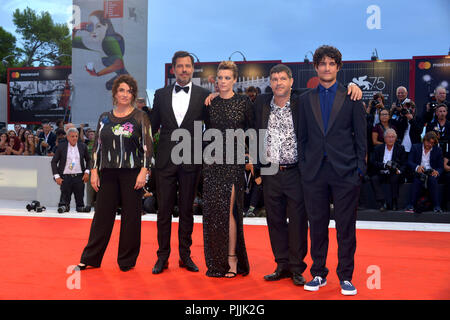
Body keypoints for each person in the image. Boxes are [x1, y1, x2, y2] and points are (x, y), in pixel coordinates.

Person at [298, 45, 367, 296]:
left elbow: (361, 137)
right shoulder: (305, 99)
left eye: (331, 63)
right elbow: (302, 138)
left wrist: (360, 168)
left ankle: (346, 276)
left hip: (346, 172)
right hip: (314, 172)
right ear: (315, 67)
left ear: (338, 67)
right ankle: (318, 273)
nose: (326, 68)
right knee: (317, 225)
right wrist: (305, 166)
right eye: (322, 63)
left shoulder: (352, 96)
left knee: (346, 227)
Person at [76, 74, 152, 272]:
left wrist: (144, 171)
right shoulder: (104, 118)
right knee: (101, 216)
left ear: (133, 94)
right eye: (121, 90)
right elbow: (96, 148)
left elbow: (147, 147)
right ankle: (91, 258)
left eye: (129, 91)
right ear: (115, 93)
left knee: (131, 218)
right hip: (107, 173)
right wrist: (94, 171)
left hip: (132, 174)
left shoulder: (140, 117)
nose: (125, 94)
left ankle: (126, 261)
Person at [150, 51, 210, 274]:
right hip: (165, 160)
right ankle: (162, 257)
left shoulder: (205, 95)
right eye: (180, 66)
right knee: (163, 210)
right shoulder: (160, 94)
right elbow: (152, 126)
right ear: (173, 69)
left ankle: (185, 256)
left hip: (191, 159)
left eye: (188, 66)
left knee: (187, 210)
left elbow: (211, 129)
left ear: (192, 69)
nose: (184, 70)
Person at [202, 61, 253, 278]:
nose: (223, 81)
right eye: (220, 77)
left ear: (235, 80)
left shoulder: (243, 102)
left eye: (227, 78)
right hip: (212, 163)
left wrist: (250, 155)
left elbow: (251, 130)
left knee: (229, 210)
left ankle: (232, 258)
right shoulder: (209, 103)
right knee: (214, 212)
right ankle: (216, 261)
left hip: (233, 163)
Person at [51, 128, 91, 213]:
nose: (75, 138)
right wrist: (57, 176)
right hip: (65, 178)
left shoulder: (82, 146)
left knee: (80, 204)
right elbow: (54, 162)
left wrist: (87, 172)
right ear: (68, 137)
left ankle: (80, 208)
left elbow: (89, 160)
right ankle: (64, 207)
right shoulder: (61, 146)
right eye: (72, 136)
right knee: (64, 204)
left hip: (79, 178)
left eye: (76, 136)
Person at [404, 131, 444, 213]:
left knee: (432, 180)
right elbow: (409, 161)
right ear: (424, 140)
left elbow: (441, 167)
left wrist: (437, 171)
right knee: (417, 180)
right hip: (418, 172)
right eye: (428, 142)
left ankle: (437, 206)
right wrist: (417, 167)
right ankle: (411, 205)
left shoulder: (438, 150)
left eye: (432, 143)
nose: (430, 144)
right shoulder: (415, 147)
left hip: (431, 173)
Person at [370, 129, 407, 211]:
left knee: (395, 177)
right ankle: (383, 202)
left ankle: (394, 201)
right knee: (374, 178)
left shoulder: (400, 148)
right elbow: (373, 162)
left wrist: (399, 171)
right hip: (381, 171)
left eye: (393, 137)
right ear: (384, 138)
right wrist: (384, 165)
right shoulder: (378, 148)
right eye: (388, 137)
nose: (390, 139)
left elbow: (404, 164)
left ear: (395, 138)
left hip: (394, 172)